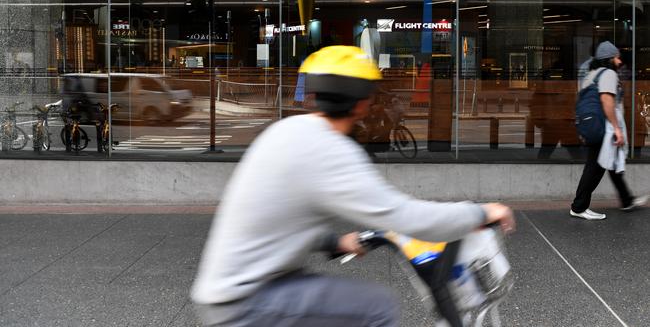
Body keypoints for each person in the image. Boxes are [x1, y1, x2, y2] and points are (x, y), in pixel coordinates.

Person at [191, 45, 515, 327]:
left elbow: (276, 216)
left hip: (232, 289)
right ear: (363, 103)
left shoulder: (287, 131)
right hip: (248, 298)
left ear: (313, 93)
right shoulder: (329, 148)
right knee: (375, 307)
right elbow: (406, 217)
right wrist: (482, 212)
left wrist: (335, 241)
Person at [570, 41, 648, 220]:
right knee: (595, 167)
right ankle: (579, 207)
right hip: (602, 127)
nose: (619, 61)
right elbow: (607, 101)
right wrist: (616, 128)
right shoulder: (608, 74)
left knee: (610, 163)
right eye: (617, 57)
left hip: (591, 124)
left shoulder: (592, 74)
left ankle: (627, 200)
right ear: (609, 59)